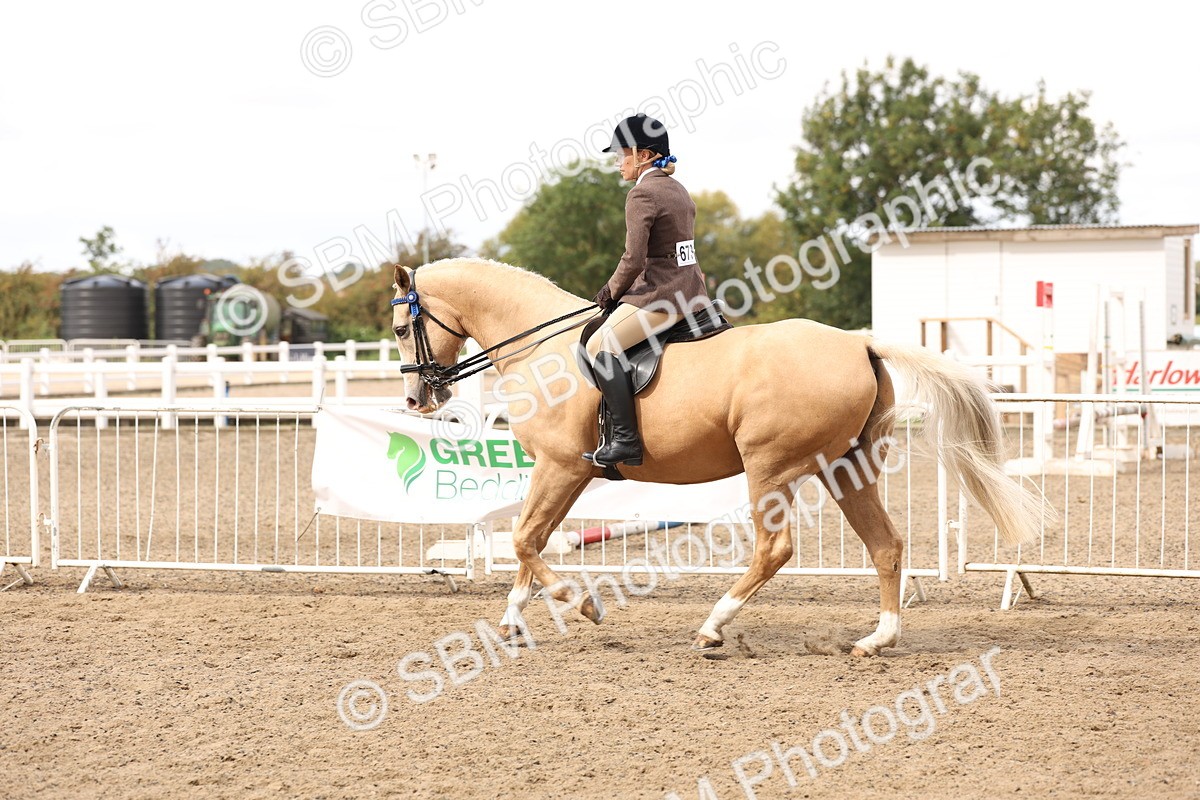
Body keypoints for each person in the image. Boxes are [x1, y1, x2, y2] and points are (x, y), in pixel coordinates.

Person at [582, 113, 712, 467]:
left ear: (645, 155)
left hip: (662, 296)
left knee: (601, 344)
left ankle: (625, 440)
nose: (618, 162)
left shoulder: (642, 194)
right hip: (694, 293)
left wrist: (610, 291)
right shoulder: (678, 190)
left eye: (623, 154)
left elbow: (634, 259)